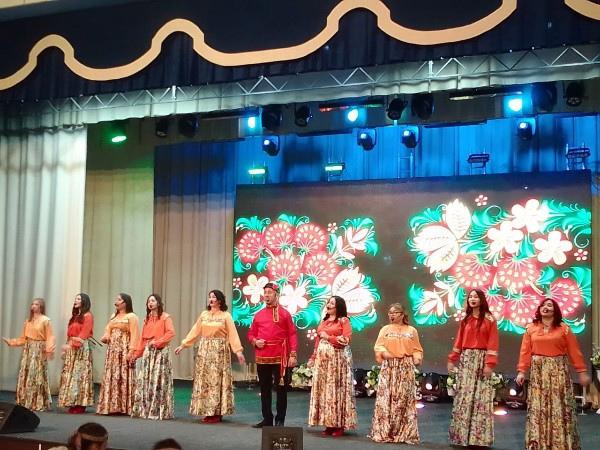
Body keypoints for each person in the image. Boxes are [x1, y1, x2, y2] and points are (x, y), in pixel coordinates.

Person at [516, 297, 591, 450]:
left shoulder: (564, 329)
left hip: (558, 372)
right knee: (539, 407)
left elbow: (574, 352)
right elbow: (525, 351)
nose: (546, 307)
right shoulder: (531, 328)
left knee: (559, 406)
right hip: (538, 373)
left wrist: (582, 372)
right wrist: (521, 371)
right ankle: (539, 443)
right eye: (543, 305)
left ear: (555, 310)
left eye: (549, 305)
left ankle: (560, 443)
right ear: (539, 310)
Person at [175, 289, 245, 423]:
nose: (211, 299)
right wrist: (183, 345)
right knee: (205, 381)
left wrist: (238, 351)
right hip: (204, 351)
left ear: (220, 300)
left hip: (219, 352)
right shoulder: (204, 315)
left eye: (213, 297)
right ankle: (206, 410)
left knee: (216, 381)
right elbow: (195, 331)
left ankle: (216, 412)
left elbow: (233, 334)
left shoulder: (225, 316)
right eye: (209, 297)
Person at [447, 289, 499, 447]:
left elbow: (493, 343)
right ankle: (461, 436)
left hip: (482, 359)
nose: (472, 299)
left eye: (476, 297)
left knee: (480, 398)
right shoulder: (466, 319)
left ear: (481, 299)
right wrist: (452, 359)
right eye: (470, 297)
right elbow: (459, 341)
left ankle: (479, 438)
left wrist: (489, 364)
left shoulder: (490, 319)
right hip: (467, 360)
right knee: (465, 396)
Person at [368, 303, 423, 444]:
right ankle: (384, 431)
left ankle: (403, 432)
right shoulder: (385, 329)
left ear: (402, 314)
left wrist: (417, 357)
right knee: (386, 398)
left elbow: (417, 348)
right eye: (390, 312)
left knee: (403, 399)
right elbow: (378, 346)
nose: (391, 315)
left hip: (405, 366)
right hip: (389, 366)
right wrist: (384, 353)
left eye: (395, 312)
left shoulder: (411, 330)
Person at [248, 282, 298, 427]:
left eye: (269, 292)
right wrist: (255, 341)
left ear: (277, 294)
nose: (266, 295)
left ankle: (280, 419)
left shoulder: (285, 314)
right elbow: (251, 334)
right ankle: (267, 419)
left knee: (281, 389)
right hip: (263, 356)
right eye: (265, 293)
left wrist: (293, 354)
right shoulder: (258, 315)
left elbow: (292, 334)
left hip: (280, 357)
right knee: (264, 389)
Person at [307, 295, 357, 437]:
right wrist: (313, 357)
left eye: (332, 303)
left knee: (336, 391)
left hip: (337, 362)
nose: (328, 305)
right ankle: (328, 423)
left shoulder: (344, 321)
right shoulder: (323, 322)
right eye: (328, 302)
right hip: (323, 363)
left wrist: (328, 337)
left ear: (338, 307)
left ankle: (339, 424)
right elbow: (318, 342)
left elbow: (345, 340)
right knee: (325, 391)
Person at [2, 297, 55, 411]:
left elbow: (50, 337)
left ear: (41, 307)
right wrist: (11, 342)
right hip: (28, 350)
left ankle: (37, 401)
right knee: (26, 375)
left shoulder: (45, 320)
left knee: (36, 375)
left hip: (38, 350)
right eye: (32, 304)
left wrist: (49, 350)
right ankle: (26, 400)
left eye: (36, 304)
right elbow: (23, 338)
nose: (33, 306)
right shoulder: (28, 321)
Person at [131, 293, 175, 420]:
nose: (150, 303)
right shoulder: (147, 319)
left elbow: (170, 333)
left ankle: (158, 410)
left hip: (160, 353)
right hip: (148, 352)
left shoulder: (165, 317)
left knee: (159, 381)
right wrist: (136, 355)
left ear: (158, 303)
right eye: (149, 301)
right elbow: (143, 339)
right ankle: (146, 408)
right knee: (146, 380)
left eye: (153, 301)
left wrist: (157, 342)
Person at [96, 293, 139, 415]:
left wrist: (131, 351)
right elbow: (108, 329)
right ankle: (112, 405)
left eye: (119, 300)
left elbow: (135, 334)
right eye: (116, 299)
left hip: (124, 349)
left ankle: (125, 406)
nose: (116, 302)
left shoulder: (132, 317)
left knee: (123, 375)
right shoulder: (113, 316)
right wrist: (106, 336)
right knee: (113, 374)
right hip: (113, 351)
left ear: (125, 303)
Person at [58, 293, 95, 414]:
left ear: (84, 301)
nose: (76, 300)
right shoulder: (75, 316)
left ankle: (80, 403)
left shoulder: (88, 316)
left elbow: (84, 334)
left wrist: (71, 345)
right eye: (75, 298)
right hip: (72, 348)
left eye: (78, 299)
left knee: (79, 375)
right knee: (71, 375)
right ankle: (72, 401)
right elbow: (70, 334)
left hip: (81, 349)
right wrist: (66, 348)